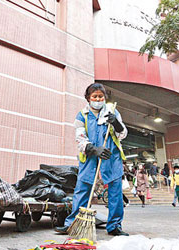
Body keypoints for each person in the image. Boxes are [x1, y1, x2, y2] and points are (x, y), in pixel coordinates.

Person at [55, 83, 129, 236]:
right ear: (88, 98)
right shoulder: (82, 115)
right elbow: (80, 138)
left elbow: (123, 134)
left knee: (115, 190)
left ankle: (114, 226)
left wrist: (115, 122)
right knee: (82, 189)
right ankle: (72, 224)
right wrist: (94, 149)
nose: (97, 99)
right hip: (90, 156)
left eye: (100, 96)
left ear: (105, 98)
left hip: (111, 155)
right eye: (94, 96)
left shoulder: (112, 111)